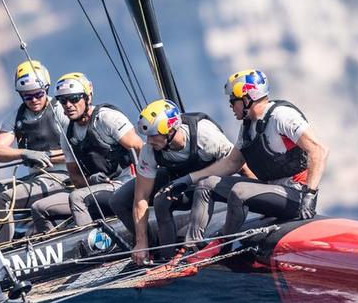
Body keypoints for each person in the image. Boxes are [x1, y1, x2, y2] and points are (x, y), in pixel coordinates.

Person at [175, 68, 329, 258]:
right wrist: (189, 179)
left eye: (233, 101)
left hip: (296, 194)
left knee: (240, 192)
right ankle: (191, 248)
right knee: (206, 185)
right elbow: (231, 163)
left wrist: (310, 194)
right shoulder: (248, 126)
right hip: (271, 189)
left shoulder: (281, 117)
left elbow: (319, 150)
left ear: (247, 98)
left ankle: (222, 244)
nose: (231, 106)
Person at [110, 99, 235, 263]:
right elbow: (141, 196)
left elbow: (239, 164)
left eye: (153, 136)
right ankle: (159, 253)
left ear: (170, 131)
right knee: (121, 200)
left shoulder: (205, 134)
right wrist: (141, 243)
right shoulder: (150, 150)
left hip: (211, 186)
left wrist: (258, 195)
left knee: (187, 191)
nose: (148, 141)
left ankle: (189, 247)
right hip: (179, 180)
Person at [0, 59, 71, 244]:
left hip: (62, 176)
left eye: (38, 94)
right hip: (34, 178)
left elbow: (77, 151)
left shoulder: (60, 110)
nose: (33, 100)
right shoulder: (17, 116)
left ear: (46, 89)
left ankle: (4, 252)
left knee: (2, 199)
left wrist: (48, 156)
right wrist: (25, 153)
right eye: (27, 96)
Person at [30, 72, 143, 234]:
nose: (68, 105)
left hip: (125, 182)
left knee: (77, 197)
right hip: (97, 188)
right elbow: (75, 177)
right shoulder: (67, 134)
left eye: (74, 99)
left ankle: (92, 249)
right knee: (39, 207)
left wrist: (143, 186)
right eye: (63, 101)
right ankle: (62, 249)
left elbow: (140, 148)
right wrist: (92, 181)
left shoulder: (106, 119)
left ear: (87, 98)